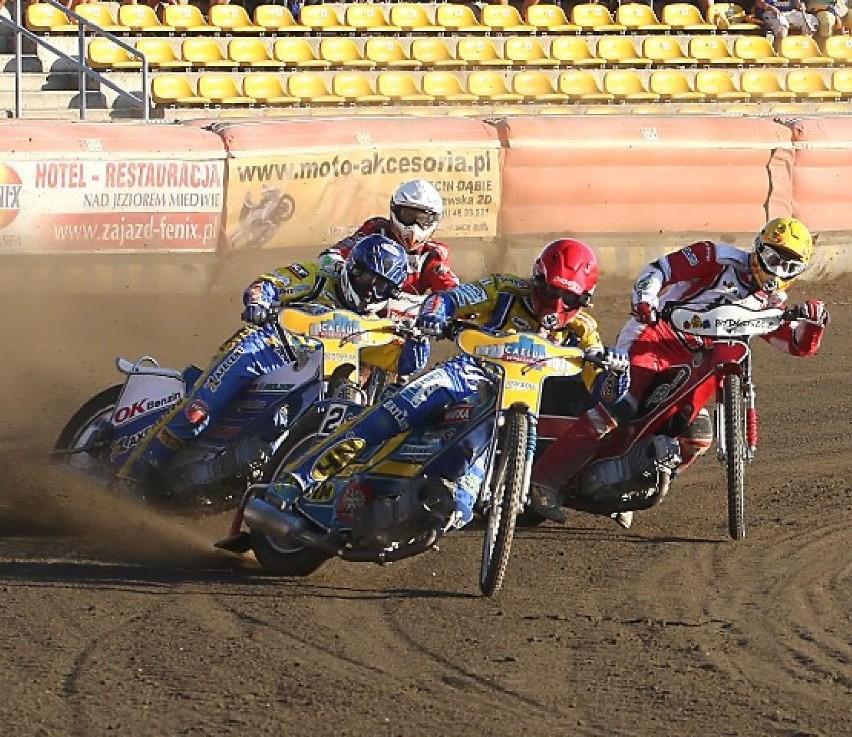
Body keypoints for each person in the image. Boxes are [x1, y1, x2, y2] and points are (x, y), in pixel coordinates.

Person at [268, 238, 630, 531]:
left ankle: (441, 509)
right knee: (394, 412)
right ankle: (297, 478)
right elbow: (450, 298)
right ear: (536, 278)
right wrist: (434, 315)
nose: (556, 303)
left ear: (584, 299)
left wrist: (616, 371)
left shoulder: (583, 330)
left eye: (569, 298)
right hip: (465, 375)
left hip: (514, 403)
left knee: (469, 488)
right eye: (551, 291)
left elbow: (603, 390)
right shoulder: (504, 289)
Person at [530, 217, 831, 528]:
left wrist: (815, 324)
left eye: (789, 267)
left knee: (697, 436)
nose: (777, 271)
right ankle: (544, 480)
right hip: (656, 338)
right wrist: (645, 301)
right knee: (620, 406)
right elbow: (660, 270)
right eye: (772, 259)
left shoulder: (771, 305)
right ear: (757, 249)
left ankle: (628, 486)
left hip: (695, 363)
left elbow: (796, 346)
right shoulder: (717, 256)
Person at [119, 234, 429, 486]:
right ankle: (130, 476)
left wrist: (419, 341)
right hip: (265, 349)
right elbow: (267, 283)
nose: (372, 292)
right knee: (198, 412)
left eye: (383, 286)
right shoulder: (319, 276)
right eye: (367, 280)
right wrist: (259, 302)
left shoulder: (373, 325)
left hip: (317, 376)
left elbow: (404, 363)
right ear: (352, 269)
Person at [318, 179, 460, 297]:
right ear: (395, 211)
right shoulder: (375, 232)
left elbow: (450, 287)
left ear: (434, 220)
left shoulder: (433, 254)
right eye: (409, 216)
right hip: (356, 310)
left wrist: (449, 303)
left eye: (423, 219)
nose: (414, 227)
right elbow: (330, 255)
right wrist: (343, 269)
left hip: (399, 325)